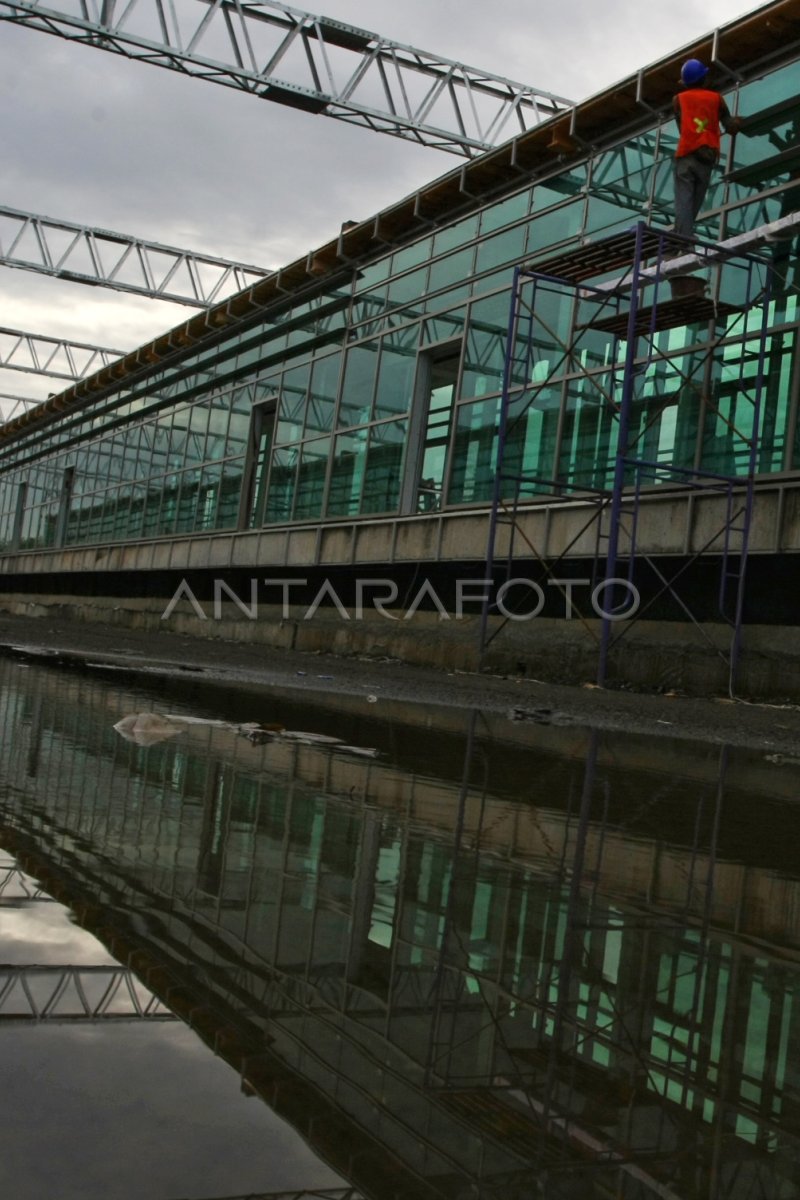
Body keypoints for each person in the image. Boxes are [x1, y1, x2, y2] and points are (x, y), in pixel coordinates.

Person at [673, 58, 742, 242]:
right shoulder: (717, 99)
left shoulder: (678, 100)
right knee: (694, 202)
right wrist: (738, 122)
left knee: (684, 202)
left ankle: (682, 239)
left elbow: (682, 128)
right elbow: (730, 127)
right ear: (704, 79)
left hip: (686, 154)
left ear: (686, 82)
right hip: (707, 156)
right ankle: (682, 238)